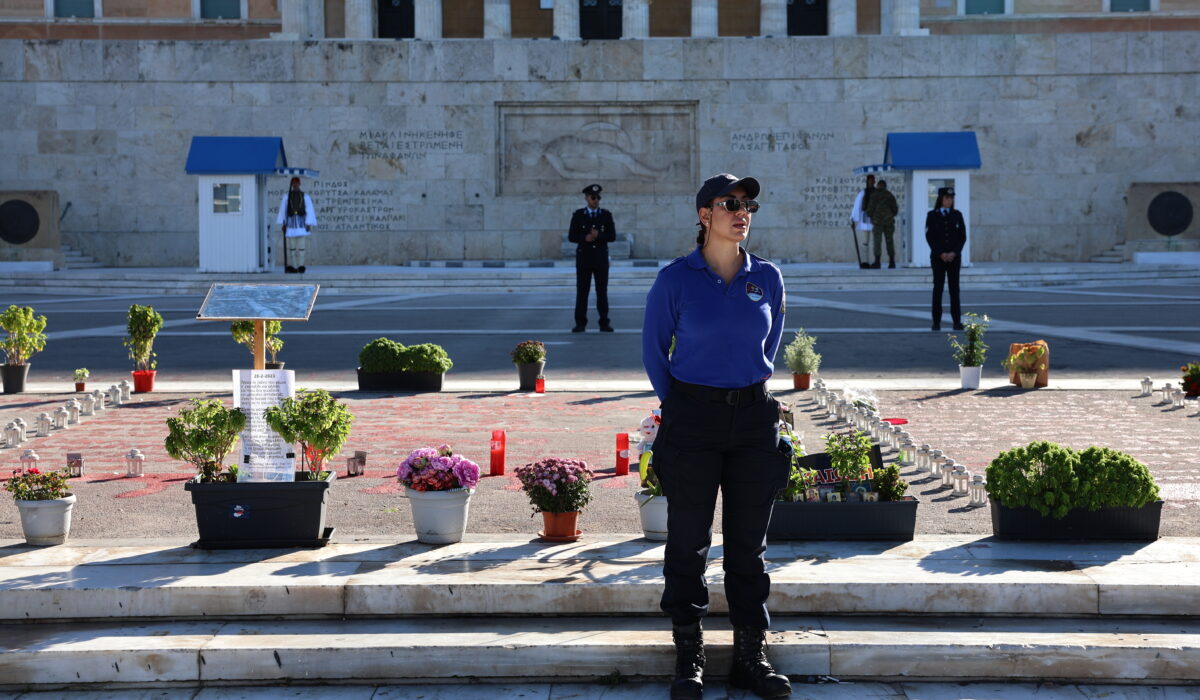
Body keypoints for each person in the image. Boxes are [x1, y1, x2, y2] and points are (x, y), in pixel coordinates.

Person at [642, 173, 792, 700]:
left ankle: (751, 656)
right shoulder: (675, 280)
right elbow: (654, 351)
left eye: (748, 205)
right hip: (692, 420)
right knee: (688, 542)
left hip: (752, 420)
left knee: (748, 546)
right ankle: (690, 657)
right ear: (704, 214)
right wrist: (682, 406)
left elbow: (769, 345)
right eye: (731, 203)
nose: (742, 212)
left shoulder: (767, 277)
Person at [568, 184, 616, 332]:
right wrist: (585, 238)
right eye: (593, 197)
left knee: (602, 291)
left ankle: (604, 322)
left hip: (600, 258)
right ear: (587, 198)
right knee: (582, 292)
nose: (596, 200)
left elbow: (612, 236)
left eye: (598, 197)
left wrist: (599, 235)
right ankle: (580, 323)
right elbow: (572, 236)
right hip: (585, 258)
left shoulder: (606, 215)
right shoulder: (578, 215)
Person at [926, 186, 966, 331]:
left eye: (951, 198)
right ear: (941, 199)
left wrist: (954, 252)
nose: (949, 200)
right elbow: (930, 237)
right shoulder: (932, 215)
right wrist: (941, 253)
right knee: (938, 288)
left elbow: (962, 237)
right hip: (938, 258)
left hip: (954, 258)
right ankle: (936, 322)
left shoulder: (957, 215)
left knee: (954, 289)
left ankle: (957, 321)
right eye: (947, 198)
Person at [276, 177, 316, 273]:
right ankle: (294, 266)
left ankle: (301, 265)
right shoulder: (287, 196)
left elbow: (309, 210)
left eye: (297, 183)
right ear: (291, 184)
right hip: (290, 224)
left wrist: (308, 223)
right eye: (294, 183)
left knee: (301, 247)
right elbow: (283, 210)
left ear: (299, 184)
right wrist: (283, 223)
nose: (295, 185)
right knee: (292, 247)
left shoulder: (305, 196)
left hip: (301, 224)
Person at [866, 178, 899, 269]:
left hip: (877, 222)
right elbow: (895, 210)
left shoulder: (874, 195)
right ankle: (892, 261)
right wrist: (889, 215)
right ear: (885, 186)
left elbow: (869, 210)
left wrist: (872, 216)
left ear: (878, 186)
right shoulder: (890, 195)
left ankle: (877, 262)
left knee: (877, 241)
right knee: (890, 241)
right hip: (888, 222)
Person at [849, 174, 875, 266]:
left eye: (872, 180)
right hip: (866, 220)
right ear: (867, 181)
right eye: (870, 180)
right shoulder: (863, 193)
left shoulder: (877, 192)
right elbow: (857, 206)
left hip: (875, 220)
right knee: (865, 242)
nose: (871, 182)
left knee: (875, 242)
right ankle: (865, 261)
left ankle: (876, 261)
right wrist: (853, 218)